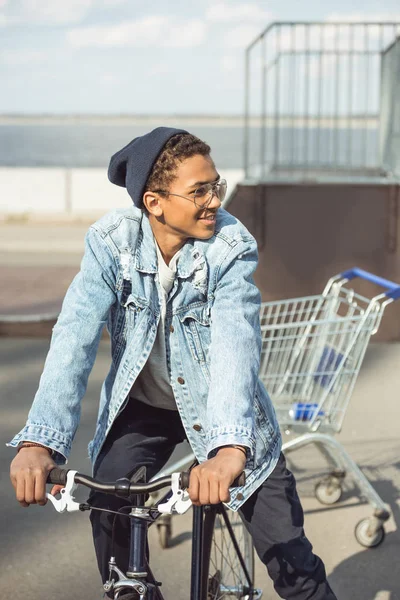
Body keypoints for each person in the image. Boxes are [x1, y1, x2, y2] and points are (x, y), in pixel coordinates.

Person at [8, 127, 337, 599]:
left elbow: (234, 344)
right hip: (144, 409)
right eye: (199, 190)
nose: (214, 200)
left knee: (292, 560)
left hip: (225, 413)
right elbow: (73, 338)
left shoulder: (229, 246)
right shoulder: (111, 243)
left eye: (216, 185)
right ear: (154, 202)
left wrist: (228, 450)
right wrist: (41, 440)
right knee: (112, 514)